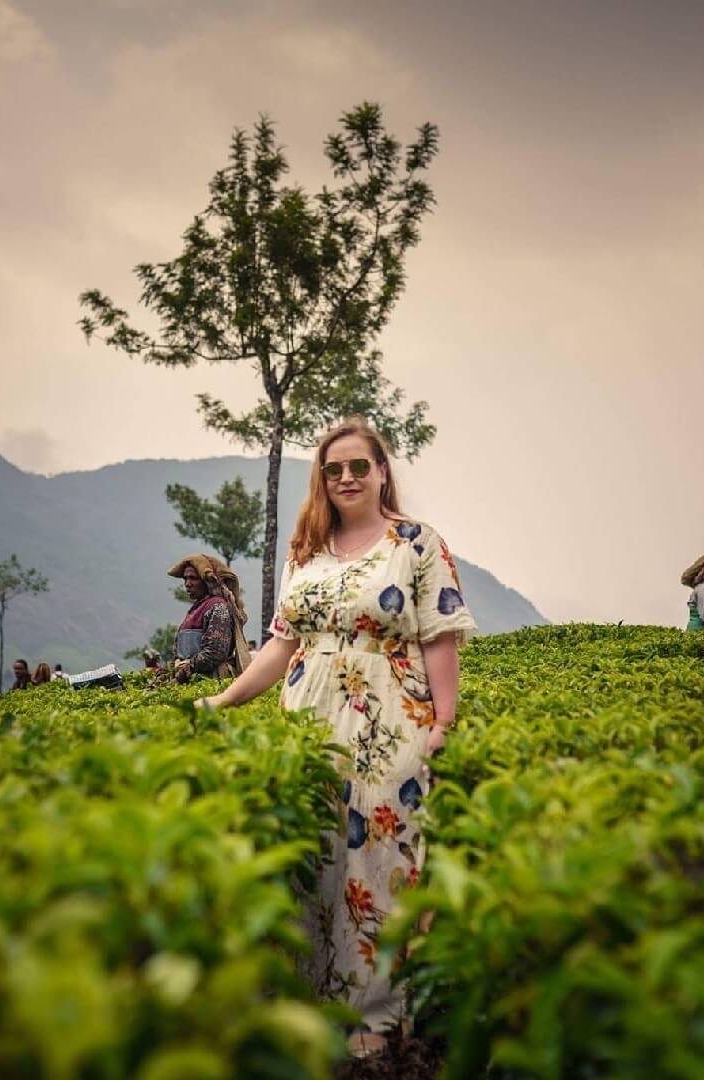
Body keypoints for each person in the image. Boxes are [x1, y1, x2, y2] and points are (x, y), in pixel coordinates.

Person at [197, 417, 476, 1057]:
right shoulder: (308, 552)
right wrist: (224, 697)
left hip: (389, 724)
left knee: (381, 865)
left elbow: (438, 633)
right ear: (321, 480)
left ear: (382, 471)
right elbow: (280, 644)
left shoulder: (416, 543)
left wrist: (443, 721)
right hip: (310, 721)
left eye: (359, 466)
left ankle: (375, 1023)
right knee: (316, 864)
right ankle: (309, 1010)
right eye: (334, 469)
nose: (347, 477)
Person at [163, 554, 250, 683]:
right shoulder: (196, 609)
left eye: (193, 578)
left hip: (209, 681)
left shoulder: (218, 607)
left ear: (206, 581)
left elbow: (215, 652)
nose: (187, 584)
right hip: (189, 681)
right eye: (185, 579)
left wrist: (187, 668)